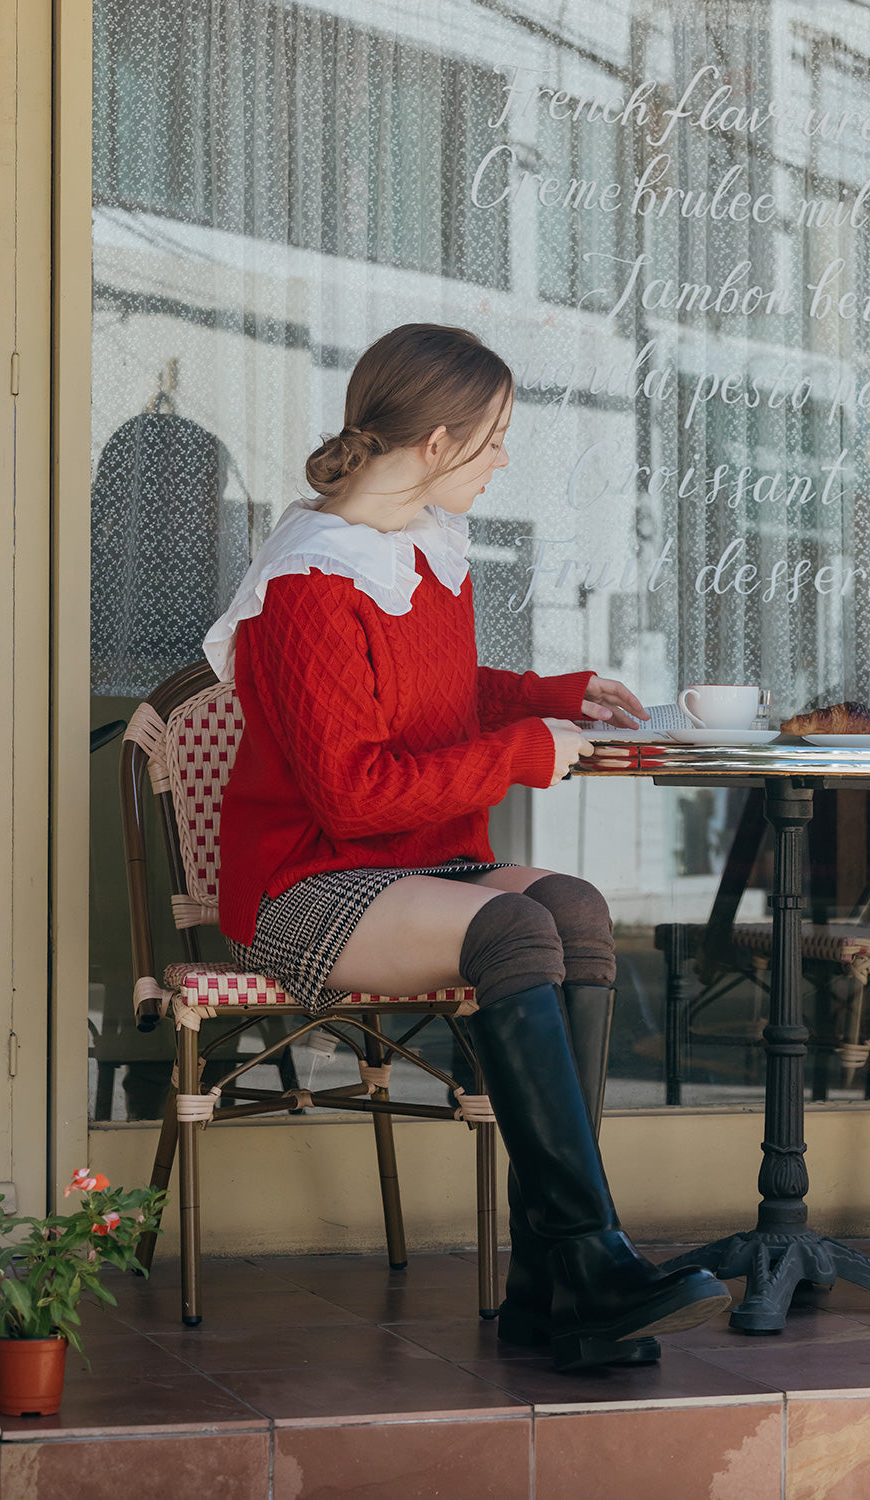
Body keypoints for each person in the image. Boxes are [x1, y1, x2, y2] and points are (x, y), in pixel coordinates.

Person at [203, 323, 730, 1372]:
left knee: (571, 908)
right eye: (494, 441)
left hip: (413, 863)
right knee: (511, 929)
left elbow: (437, 701)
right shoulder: (309, 585)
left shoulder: (423, 552)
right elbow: (351, 796)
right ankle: (591, 1262)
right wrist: (528, 750)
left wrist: (553, 695)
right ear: (436, 443)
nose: (503, 461)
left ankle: (551, 1286)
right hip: (310, 884)